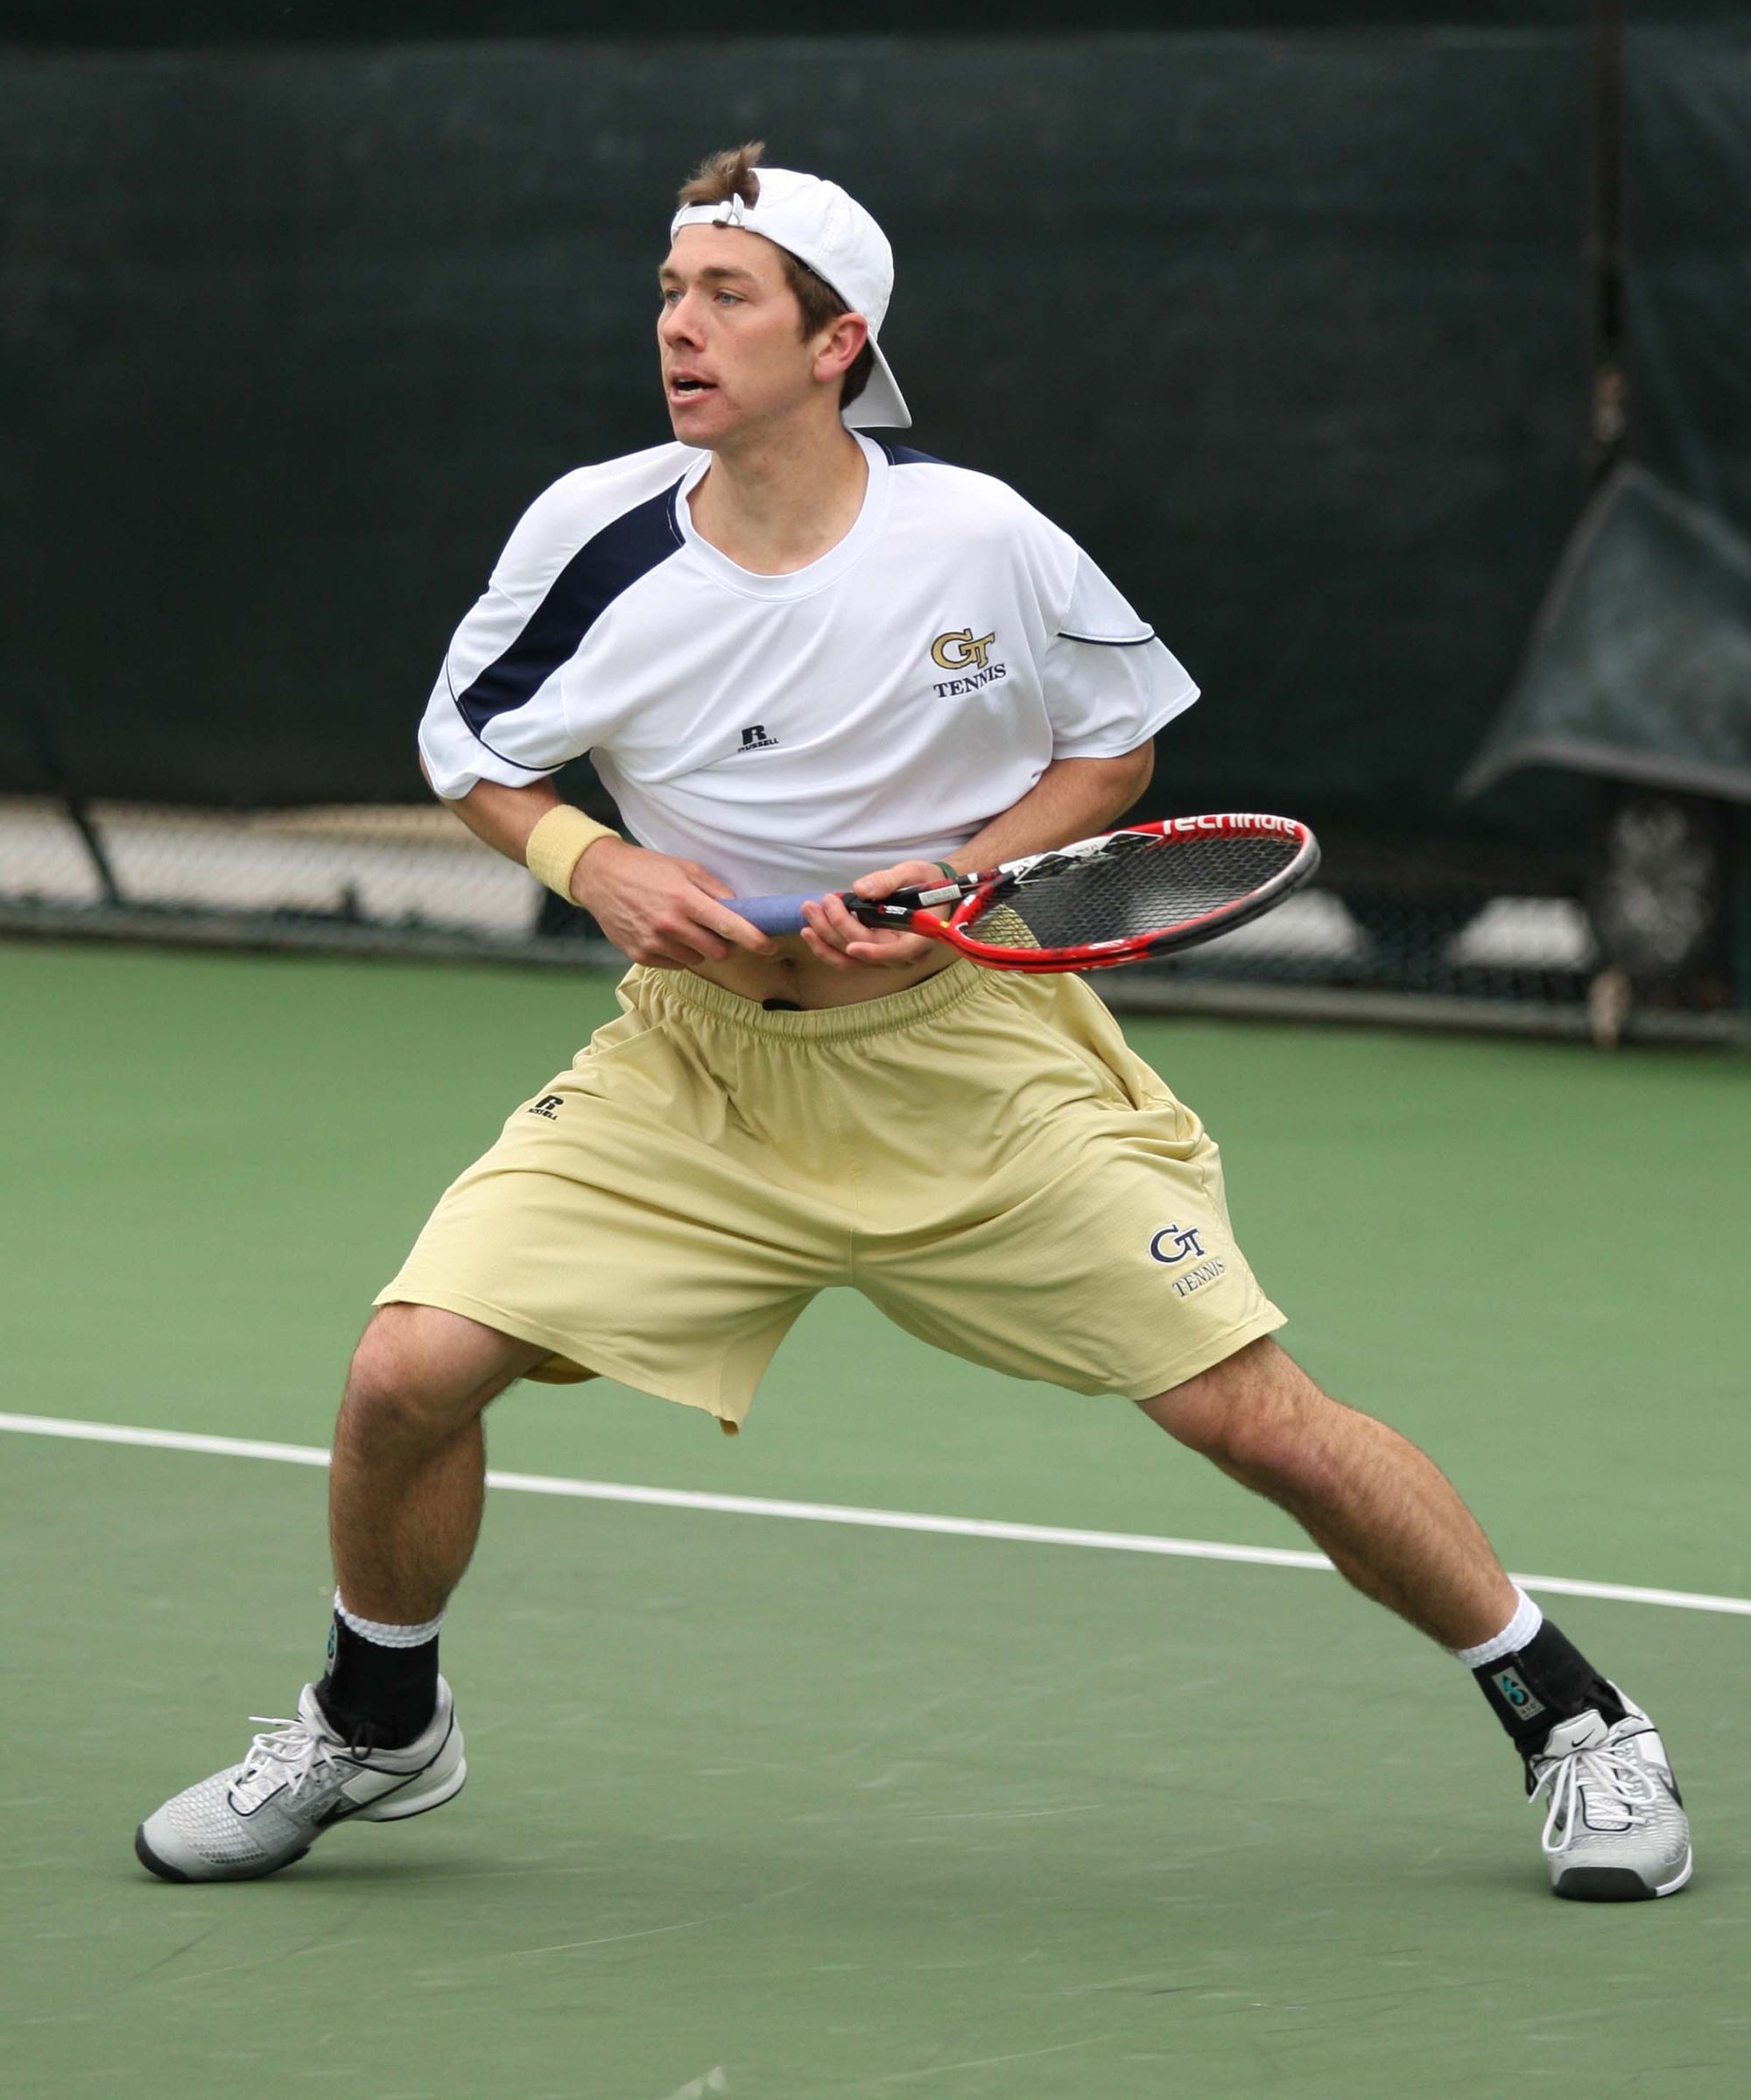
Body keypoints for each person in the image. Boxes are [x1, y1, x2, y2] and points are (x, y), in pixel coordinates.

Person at [137, 144, 1691, 1902]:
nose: (679, 326)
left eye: (726, 295)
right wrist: (596, 864)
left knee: (1256, 1418)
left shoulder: (979, 536)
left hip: (962, 1063)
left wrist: (958, 872)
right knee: (406, 1372)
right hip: (696, 1070)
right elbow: (471, 749)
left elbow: (1115, 749)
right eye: (669, 291)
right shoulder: (589, 532)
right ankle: (377, 1721)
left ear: (835, 343)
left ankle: (1577, 1718)